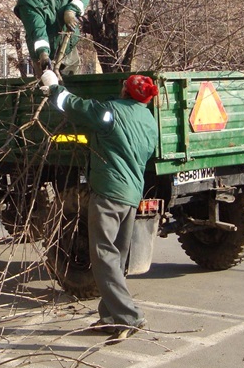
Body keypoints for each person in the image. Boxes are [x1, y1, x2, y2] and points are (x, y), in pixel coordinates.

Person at [40, 69, 159, 342]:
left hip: (108, 194)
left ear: (125, 91)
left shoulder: (111, 113)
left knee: (103, 256)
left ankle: (129, 315)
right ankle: (111, 317)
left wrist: (54, 88)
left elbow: (76, 107)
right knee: (116, 257)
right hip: (131, 195)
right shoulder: (149, 121)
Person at [14, 0, 90, 77]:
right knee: (48, 85)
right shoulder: (27, 2)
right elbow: (37, 30)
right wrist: (43, 54)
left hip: (68, 46)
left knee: (73, 84)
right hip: (44, 56)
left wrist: (71, 11)